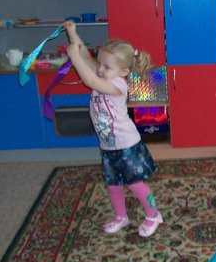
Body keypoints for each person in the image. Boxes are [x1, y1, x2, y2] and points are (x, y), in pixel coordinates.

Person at [63, 21, 162, 237]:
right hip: (108, 145)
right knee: (113, 184)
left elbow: (89, 79)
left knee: (135, 184)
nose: (100, 69)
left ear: (123, 71)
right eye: (100, 64)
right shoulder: (103, 74)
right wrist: (73, 33)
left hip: (126, 145)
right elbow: (86, 57)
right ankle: (121, 216)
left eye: (107, 67)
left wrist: (74, 58)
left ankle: (153, 214)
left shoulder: (117, 85)